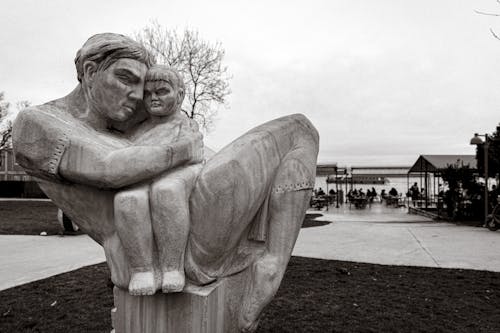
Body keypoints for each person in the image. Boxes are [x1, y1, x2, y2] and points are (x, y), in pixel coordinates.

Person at [12, 33, 319, 331]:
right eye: (126, 79)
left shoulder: (127, 120)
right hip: (175, 244)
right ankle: (272, 265)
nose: (137, 95)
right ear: (91, 72)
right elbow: (108, 169)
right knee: (299, 131)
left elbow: (201, 152)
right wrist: (184, 150)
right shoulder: (37, 124)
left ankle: (268, 262)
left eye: (143, 87)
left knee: (294, 135)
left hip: (183, 223)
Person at [113, 65, 203, 295]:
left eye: (162, 91)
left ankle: (172, 267)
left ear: (180, 95)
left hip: (181, 173)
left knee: (167, 191)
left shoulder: (186, 124)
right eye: (148, 93)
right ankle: (142, 269)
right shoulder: (138, 130)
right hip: (146, 175)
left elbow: (192, 151)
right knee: (127, 199)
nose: (153, 98)